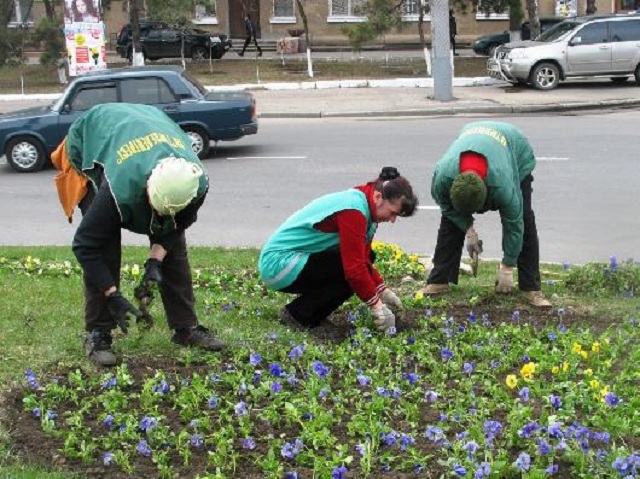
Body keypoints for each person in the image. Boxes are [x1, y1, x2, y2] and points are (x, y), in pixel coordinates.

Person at [51, 103, 226, 366]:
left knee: (174, 248)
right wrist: (113, 295)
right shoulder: (119, 189)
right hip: (92, 138)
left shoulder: (196, 183)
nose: (160, 217)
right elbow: (85, 245)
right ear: (148, 190)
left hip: (146, 124)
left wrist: (155, 260)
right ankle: (99, 333)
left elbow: (177, 226)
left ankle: (186, 328)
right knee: (105, 244)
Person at [259, 167, 418, 333]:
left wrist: (382, 290)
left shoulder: (368, 203)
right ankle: (297, 314)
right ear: (378, 197)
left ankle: (312, 318)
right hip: (278, 264)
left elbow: (364, 258)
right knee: (350, 272)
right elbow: (355, 269)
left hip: (295, 259)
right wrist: (377, 307)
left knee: (362, 262)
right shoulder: (354, 211)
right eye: (392, 213)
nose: (392, 220)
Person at [420, 121, 551, 308]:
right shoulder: (443, 177)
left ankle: (531, 288)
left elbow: (514, 224)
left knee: (525, 219)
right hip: (474, 136)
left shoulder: (502, 186)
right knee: (450, 222)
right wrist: (469, 230)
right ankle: (439, 280)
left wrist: (507, 266)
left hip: (514, 147)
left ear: (488, 195)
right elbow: (448, 209)